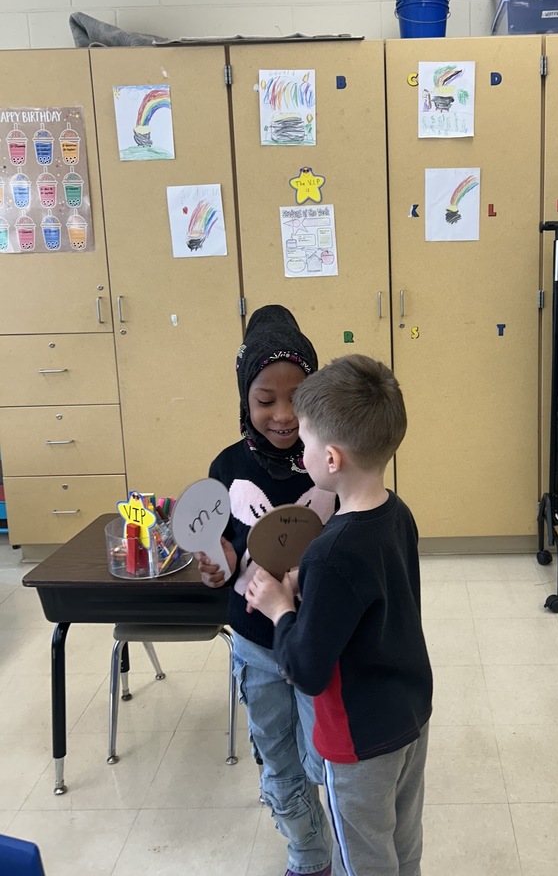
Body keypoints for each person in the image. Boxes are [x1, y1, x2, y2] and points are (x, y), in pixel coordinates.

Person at [245, 354, 433, 876]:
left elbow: (306, 670)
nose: (300, 451)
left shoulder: (329, 552)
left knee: (365, 860)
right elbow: (371, 601)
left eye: (305, 442)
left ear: (330, 459)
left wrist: (280, 609)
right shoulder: (396, 513)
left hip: (358, 740)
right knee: (403, 845)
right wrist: (310, 588)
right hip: (409, 716)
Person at [195, 305, 334, 876]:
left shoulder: (331, 461)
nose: (282, 415)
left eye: (297, 398)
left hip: (320, 640)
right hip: (256, 644)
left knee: (324, 758)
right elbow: (223, 551)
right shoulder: (227, 467)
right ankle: (309, 856)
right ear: (244, 400)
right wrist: (218, 565)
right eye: (264, 400)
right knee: (278, 762)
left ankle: (339, 834)